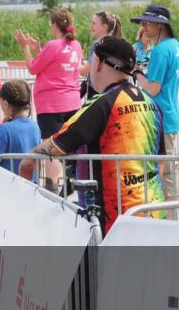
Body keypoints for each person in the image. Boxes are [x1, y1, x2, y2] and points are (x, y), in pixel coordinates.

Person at [23, 37, 166, 232]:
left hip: (113, 221)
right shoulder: (152, 104)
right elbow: (161, 162)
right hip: (152, 211)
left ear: (98, 63)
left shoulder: (102, 103)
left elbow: (58, 144)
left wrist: (30, 157)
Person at [14, 8, 83, 184]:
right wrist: (40, 50)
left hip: (52, 105)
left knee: (51, 148)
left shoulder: (53, 45)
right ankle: (70, 182)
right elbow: (58, 64)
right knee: (70, 145)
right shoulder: (76, 45)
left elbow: (33, 67)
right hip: (73, 102)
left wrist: (25, 48)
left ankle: (54, 188)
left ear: (54, 25)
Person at [131, 5, 179, 212]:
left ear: (160, 24)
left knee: (159, 170)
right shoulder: (176, 46)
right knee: (169, 171)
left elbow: (153, 88)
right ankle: (173, 218)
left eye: (147, 22)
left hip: (159, 117)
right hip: (170, 115)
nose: (143, 27)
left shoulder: (161, 50)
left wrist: (137, 72)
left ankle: (163, 216)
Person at [0, 80, 41, 178]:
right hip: (30, 185)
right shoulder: (35, 126)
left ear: (6, 104)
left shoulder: (4, 129)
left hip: (8, 187)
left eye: (0, 101)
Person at [78, 11, 122, 95]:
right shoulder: (118, 44)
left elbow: (85, 70)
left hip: (96, 91)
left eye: (94, 23)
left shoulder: (98, 44)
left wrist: (72, 64)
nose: (91, 26)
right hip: (113, 91)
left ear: (104, 26)